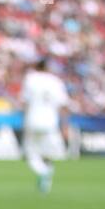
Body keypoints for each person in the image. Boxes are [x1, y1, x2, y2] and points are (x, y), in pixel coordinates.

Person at [21, 57, 70, 193]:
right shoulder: (56, 81)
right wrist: (65, 126)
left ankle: (43, 172)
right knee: (49, 154)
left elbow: (25, 102)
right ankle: (46, 175)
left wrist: (23, 120)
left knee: (30, 154)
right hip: (50, 123)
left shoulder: (30, 79)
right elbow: (63, 106)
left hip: (32, 120)